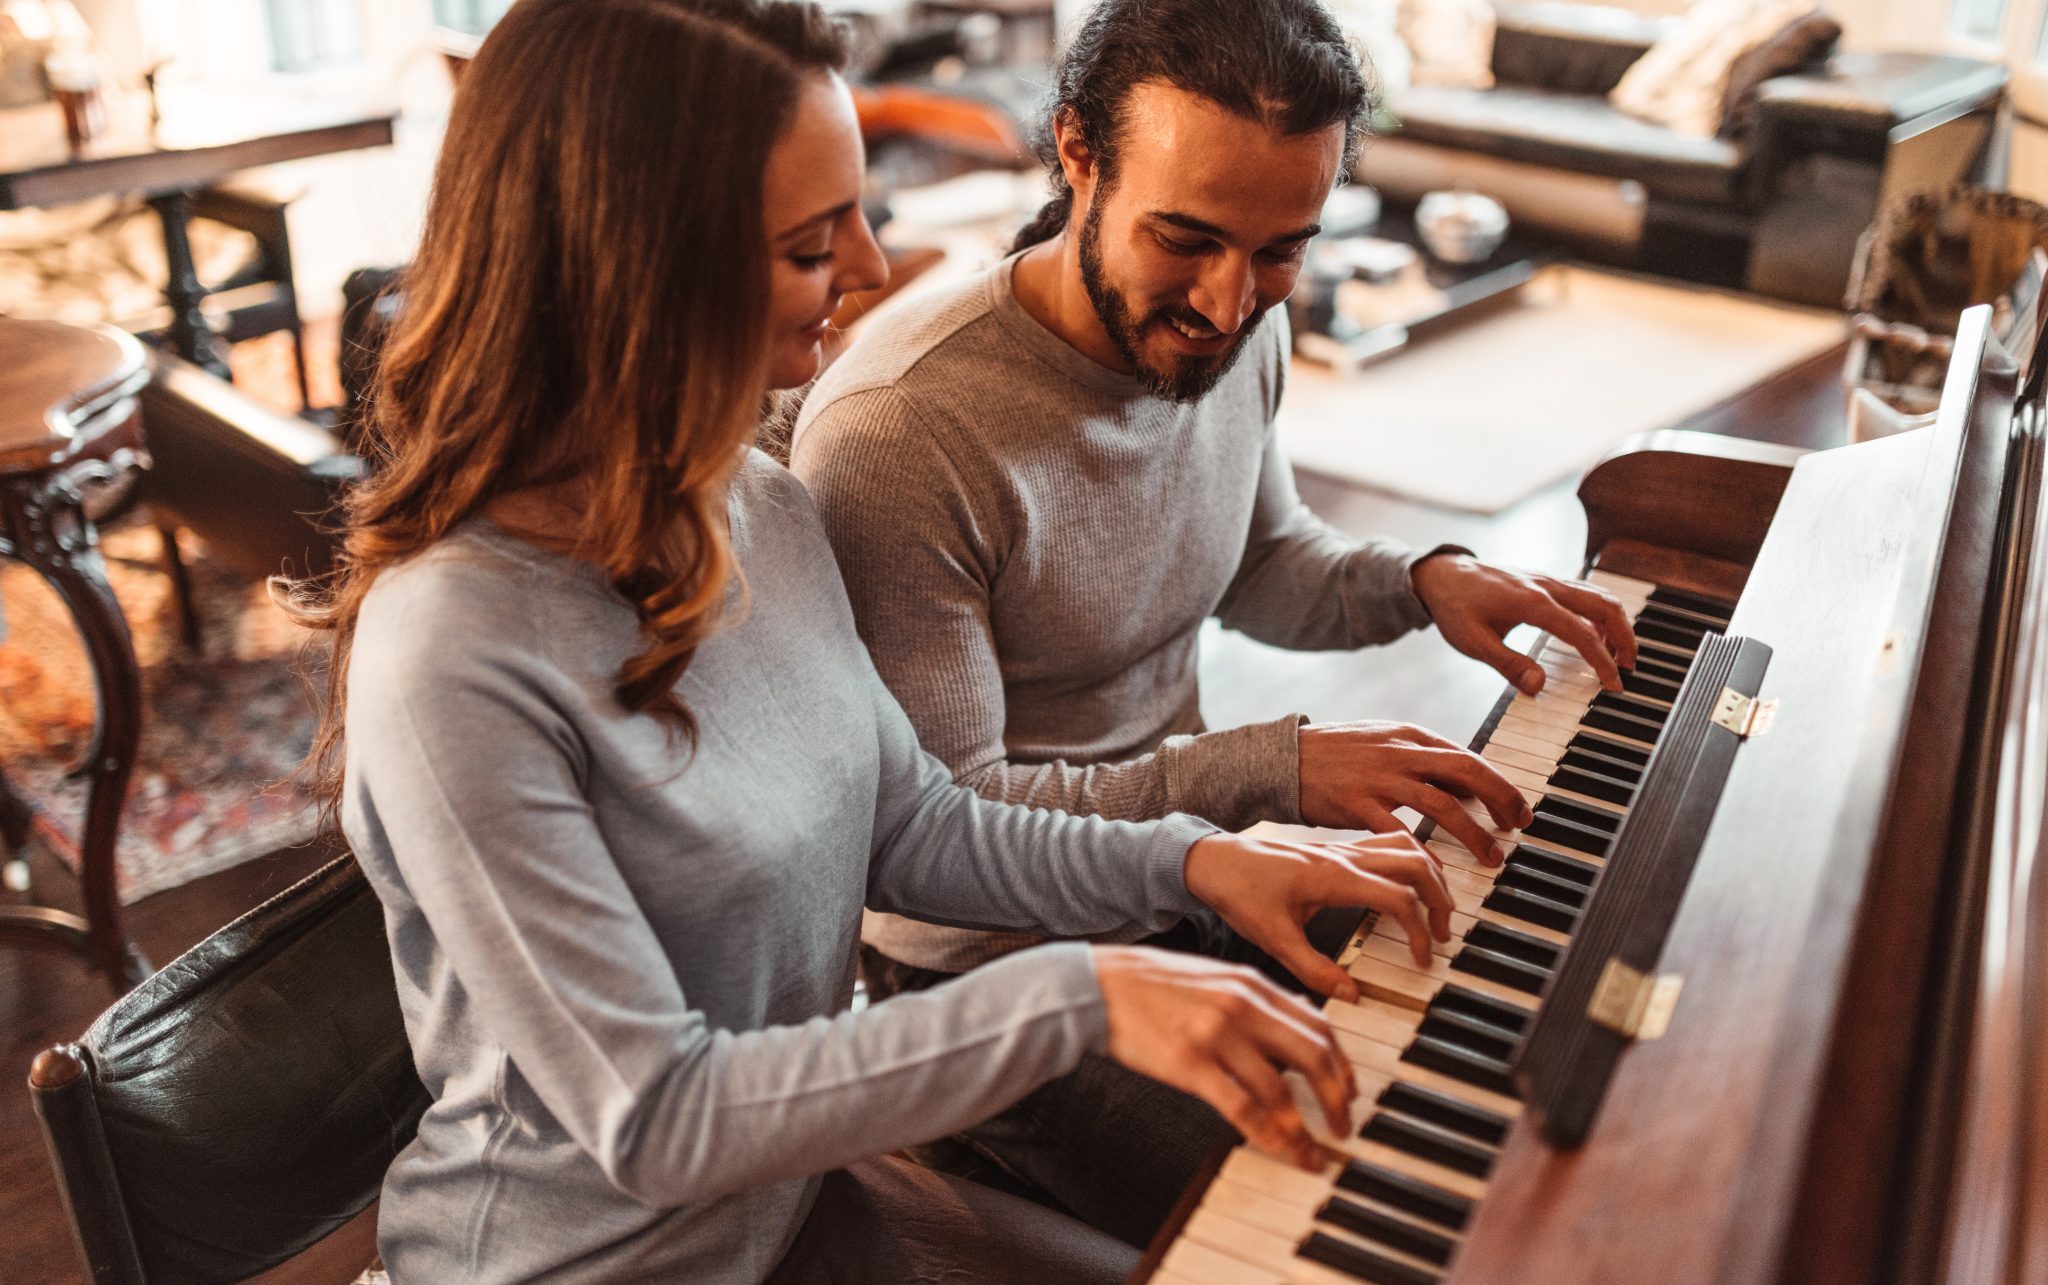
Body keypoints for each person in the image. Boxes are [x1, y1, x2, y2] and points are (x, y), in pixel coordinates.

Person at [280, 1, 1459, 1281]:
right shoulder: (451, 650)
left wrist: (1199, 864)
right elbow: (654, 1117)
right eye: (806, 242)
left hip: (791, 1212)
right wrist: (1080, 997)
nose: (868, 268)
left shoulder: (758, 505)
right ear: (637, 267)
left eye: (855, 213)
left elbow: (917, 829)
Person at [787, 0, 1639, 1246]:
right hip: (996, 971)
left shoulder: (1238, 321)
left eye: (1280, 249)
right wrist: (1261, 772)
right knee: (1376, 1203)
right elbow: (942, 828)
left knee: (1513, 1036)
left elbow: (1261, 561)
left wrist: (1423, 579)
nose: (1229, 304)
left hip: (1195, 871)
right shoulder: (902, 432)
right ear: (1076, 151)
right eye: (1183, 239)